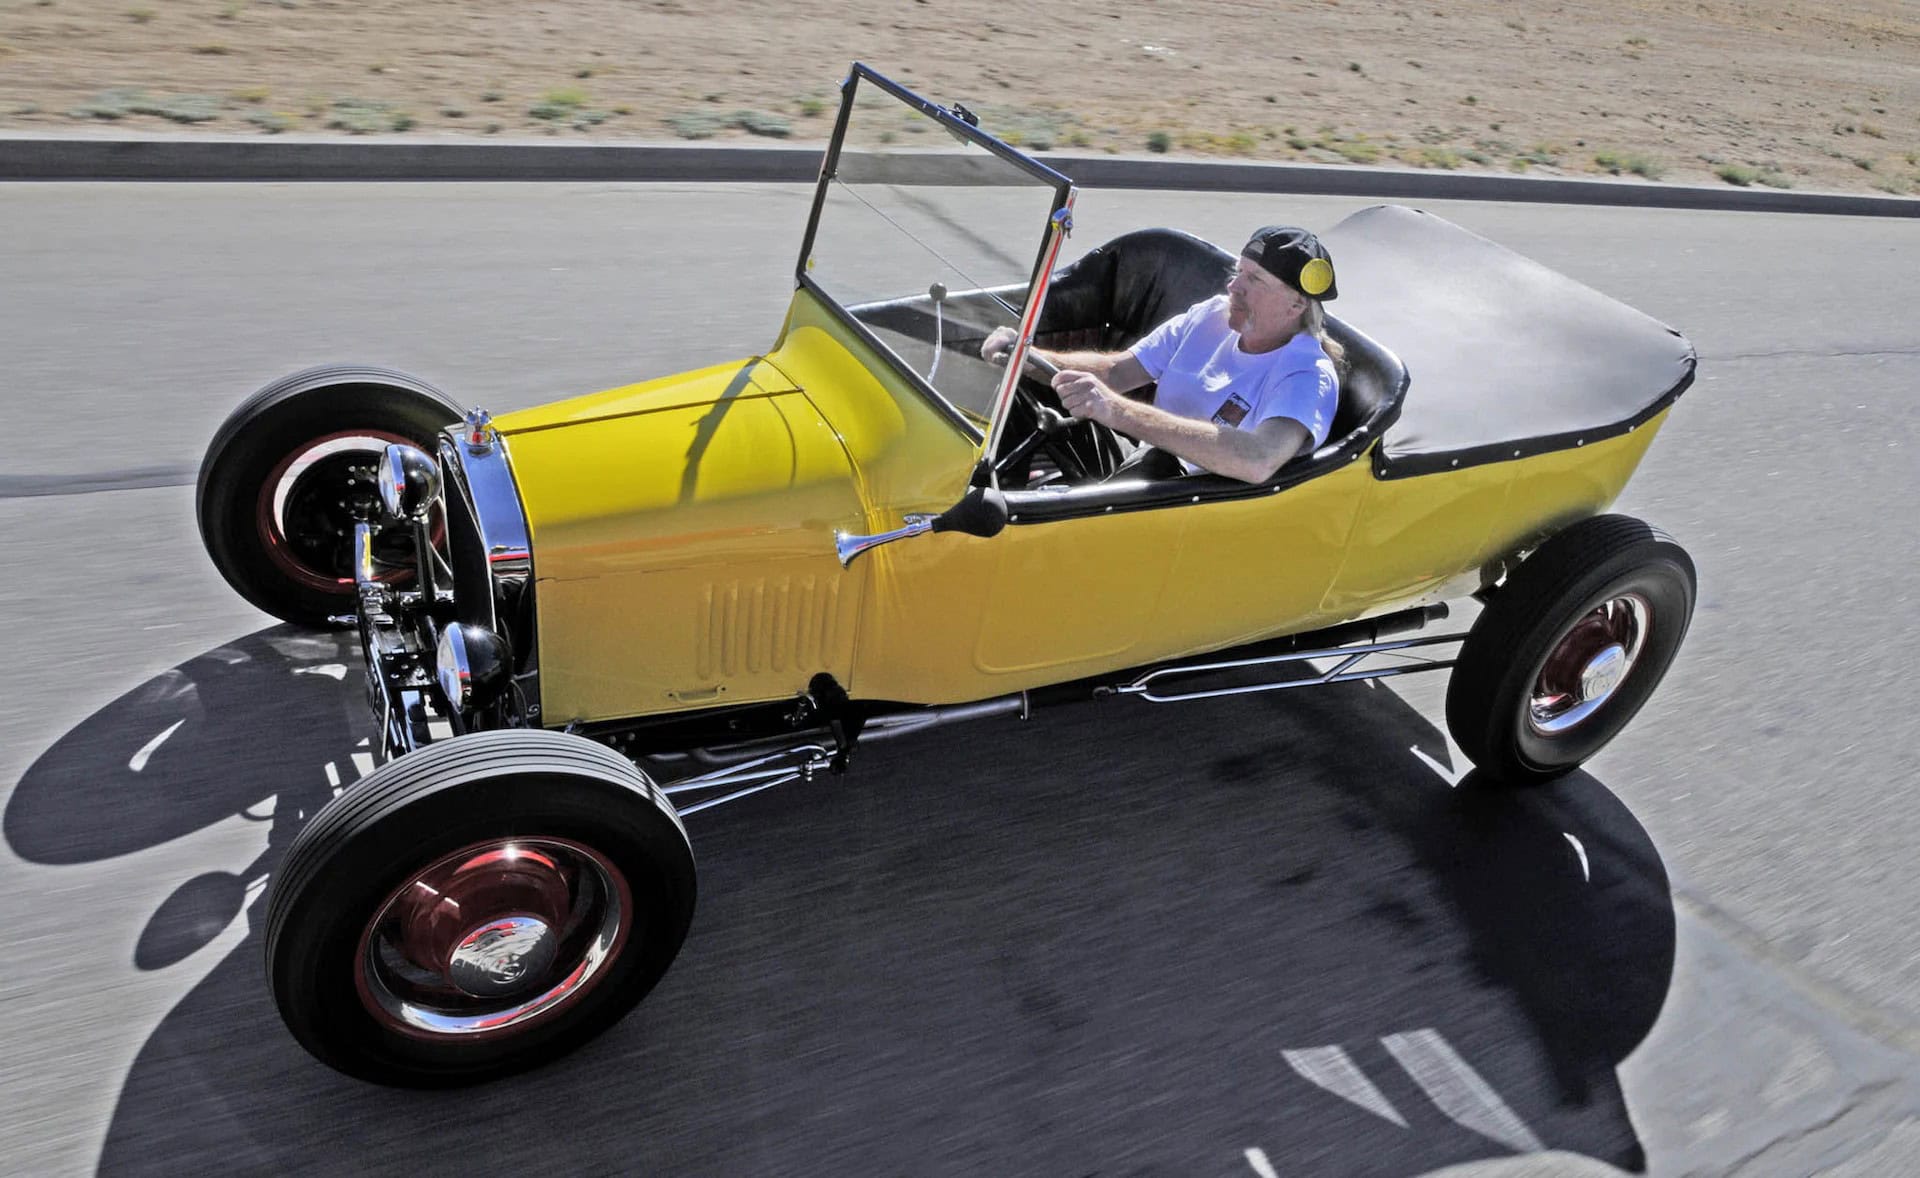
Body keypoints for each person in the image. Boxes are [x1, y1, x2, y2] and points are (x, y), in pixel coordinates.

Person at [983, 225, 1345, 484]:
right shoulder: (1210, 316)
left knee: (1158, 462)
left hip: (1194, 507)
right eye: (1239, 272)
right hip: (1140, 470)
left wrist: (1117, 411)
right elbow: (1115, 372)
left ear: (1296, 304)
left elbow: (1259, 458)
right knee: (1026, 386)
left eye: (1255, 280)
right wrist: (1026, 356)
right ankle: (989, 501)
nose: (1234, 286)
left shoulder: (1307, 373)